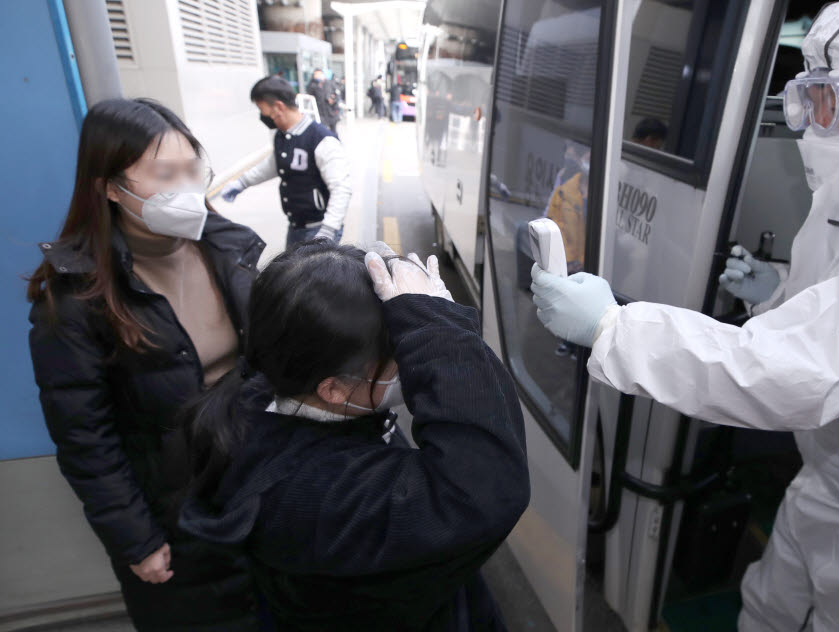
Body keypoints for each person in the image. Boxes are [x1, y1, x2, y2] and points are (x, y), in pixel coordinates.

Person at [529, 1, 839, 630]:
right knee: (768, 607)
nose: (811, 125)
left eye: (829, 101)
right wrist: (776, 294)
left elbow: (774, 371)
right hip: (830, 481)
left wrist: (614, 329)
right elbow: (838, 329)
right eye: (807, 96)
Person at [178, 241, 530, 630]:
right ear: (335, 389)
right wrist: (440, 332)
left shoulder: (269, 394)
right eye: (401, 354)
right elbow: (484, 488)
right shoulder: (318, 496)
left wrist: (426, 320)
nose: (409, 366)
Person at [26, 98, 264, 631]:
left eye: (191, 168)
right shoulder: (75, 296)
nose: (186, 186)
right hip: (176, 523)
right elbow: (86, 439)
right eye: (164, 174)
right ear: (110, 186)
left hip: (257, 491)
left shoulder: (228, 249)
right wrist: (136, 539)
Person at [221, 76, 351, 249]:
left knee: (305, 275)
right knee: (289, 273)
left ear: (279, 107)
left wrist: (328, 230)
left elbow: (341, 188)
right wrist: (241, 183)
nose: (263, 117)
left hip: (319, 228)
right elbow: (273, 165)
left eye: (263, 110)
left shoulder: (322, 140)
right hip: (296, 226)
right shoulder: (282, 136)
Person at [306, 68, 340, 136]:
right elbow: (309, 93)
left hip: (331, 112)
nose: (317, 76)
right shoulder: (313, 84)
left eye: (318, 74)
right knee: (323, 131)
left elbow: (337, 94)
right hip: (321, 112)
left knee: (333, 131)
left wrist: (333, 100)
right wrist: (313, 80)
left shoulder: (329, 83)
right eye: (315, 74)